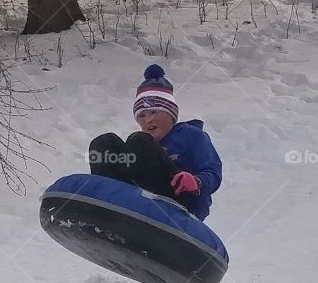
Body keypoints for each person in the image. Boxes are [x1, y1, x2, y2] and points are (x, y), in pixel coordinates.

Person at [88, 65, 222, 221]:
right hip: (141, 196)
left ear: (171, 114)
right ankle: (108, 203)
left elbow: (213, 171)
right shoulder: (141, 148)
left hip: (180, 199)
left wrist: (196, 182)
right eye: (142, 116)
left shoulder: (192, 136)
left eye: (154, 112)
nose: (148, 120)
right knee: (104, 143)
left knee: (139, 141)